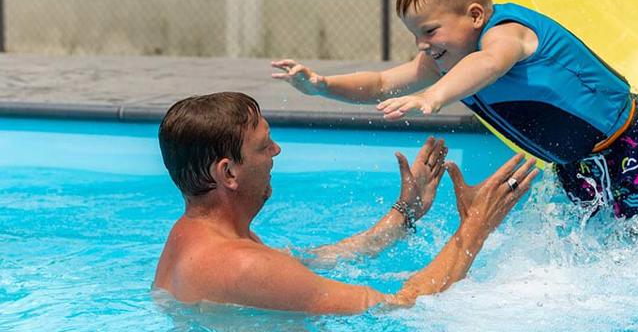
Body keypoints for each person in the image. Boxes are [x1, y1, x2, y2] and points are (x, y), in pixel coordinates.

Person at [271, 0, 638, 219]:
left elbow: (490, 63)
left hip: (630, 140)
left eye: (430, 30)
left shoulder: (507, 33)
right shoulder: (448, 57)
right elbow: (381, 82)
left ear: (476, 15)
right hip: (579, 163)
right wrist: (322, 85)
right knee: (608, 240)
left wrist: (434, 95)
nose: (422, 45)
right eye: (416, 36)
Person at [153, 92, 537, 314]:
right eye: (262, 145)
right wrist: (475, 226)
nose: (276, 150)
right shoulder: (244, 264)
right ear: (228, 174)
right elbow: (401, 307)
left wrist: (404, 215)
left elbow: (304, 263)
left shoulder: (191, 238)